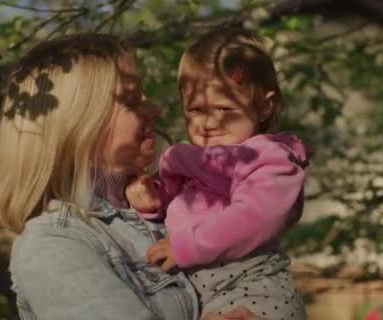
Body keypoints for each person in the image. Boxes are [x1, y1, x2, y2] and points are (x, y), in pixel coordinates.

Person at [0, 32, 259, 320]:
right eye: (130, 100)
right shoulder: (53, 243)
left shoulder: (170, 206)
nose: (156, 109)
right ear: (78, 123)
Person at [126, 29, 309, 319]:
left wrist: (187, 246)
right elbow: (180, 202)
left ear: (264, 105)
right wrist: (152, 197)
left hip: (255, 288)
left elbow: (254, 218)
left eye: (224, 108)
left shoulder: (270, 160)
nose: (209, 122)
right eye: (196, 109)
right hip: (206, 294)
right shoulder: (190, 159)